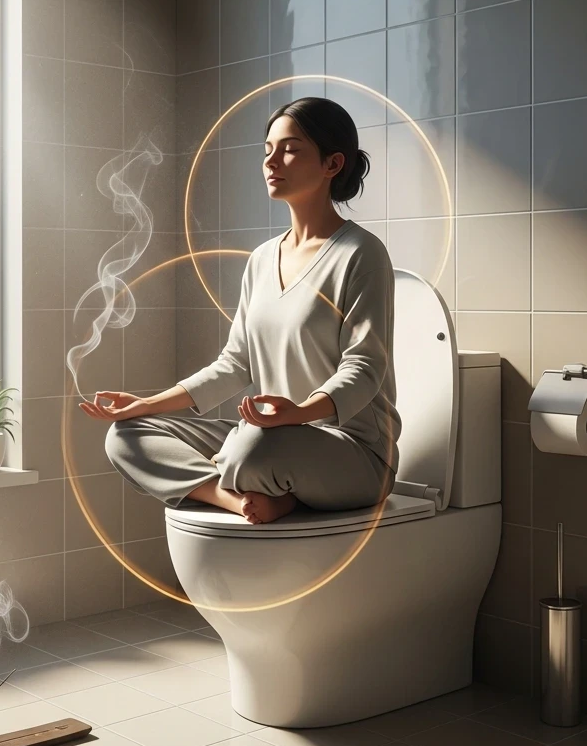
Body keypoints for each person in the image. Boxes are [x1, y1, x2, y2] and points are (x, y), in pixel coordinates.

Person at [80, 96, 402, 525]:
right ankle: (239, 500)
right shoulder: (262, 259)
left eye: (290, 149)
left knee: (250, 447)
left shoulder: (362, 254)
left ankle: (249, 469)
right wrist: (144, 405)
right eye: (267, 150)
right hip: (271, 438)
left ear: (332, 164)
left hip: (353, 453)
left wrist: (301, 413)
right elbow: (234, 364)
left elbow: (365, 366)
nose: (272, 161)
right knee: (125, 438)